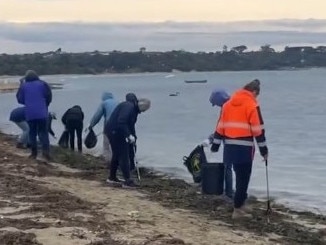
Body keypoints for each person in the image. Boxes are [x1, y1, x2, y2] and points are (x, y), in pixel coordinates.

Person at [210, 79, 268, 219]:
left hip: (229, 148)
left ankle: (241, 204)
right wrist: (264, 151)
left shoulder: (228, 104)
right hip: (245, 148)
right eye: (256, 95)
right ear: (254, 92)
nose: (256, 98)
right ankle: (237, 210)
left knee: (239, 176)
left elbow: (220, 127)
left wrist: (215, 146)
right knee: (243, 179)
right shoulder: (252, 105)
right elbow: (258, 130)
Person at [104, 93, 150, 188]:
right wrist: (128, 135)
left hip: (114, 130)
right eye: (144, 109)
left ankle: (112, 178)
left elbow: (131, 125)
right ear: (141, 106)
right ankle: (127, 181)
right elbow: (121, 122)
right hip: (115, 131)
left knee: (116, 154)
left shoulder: (133, 109)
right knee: (123, 155)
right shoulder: (129, 107)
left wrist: (133, 136)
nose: (144, 111)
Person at [16, 70, 52, 160]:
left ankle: (34, 153)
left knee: (32, 133)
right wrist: (45, 105)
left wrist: (28, 101)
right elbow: (49, 96)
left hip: (30, 113)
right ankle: (46, 153)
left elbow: (19, 99)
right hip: (42, 113)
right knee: (44, 132)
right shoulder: (43, 84)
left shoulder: (24, 86)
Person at [204, 88, 233, 199]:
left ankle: (229, 194)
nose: (217, 106)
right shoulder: (234, 106)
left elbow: (221, 128)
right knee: (240, 169)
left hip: (230, 142)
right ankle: (237, 192)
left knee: (228, 167)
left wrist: (211, 141)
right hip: (243, 141)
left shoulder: (226, 109)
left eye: (216, 104)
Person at [88, 92, 118, 161]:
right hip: (119, 126)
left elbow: (97, 116)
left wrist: (91, 125)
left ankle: (108, 161)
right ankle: (118, 160)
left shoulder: (104, 103)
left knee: (106, 145)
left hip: (109, 126)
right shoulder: (118, 102)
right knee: (116, 145)